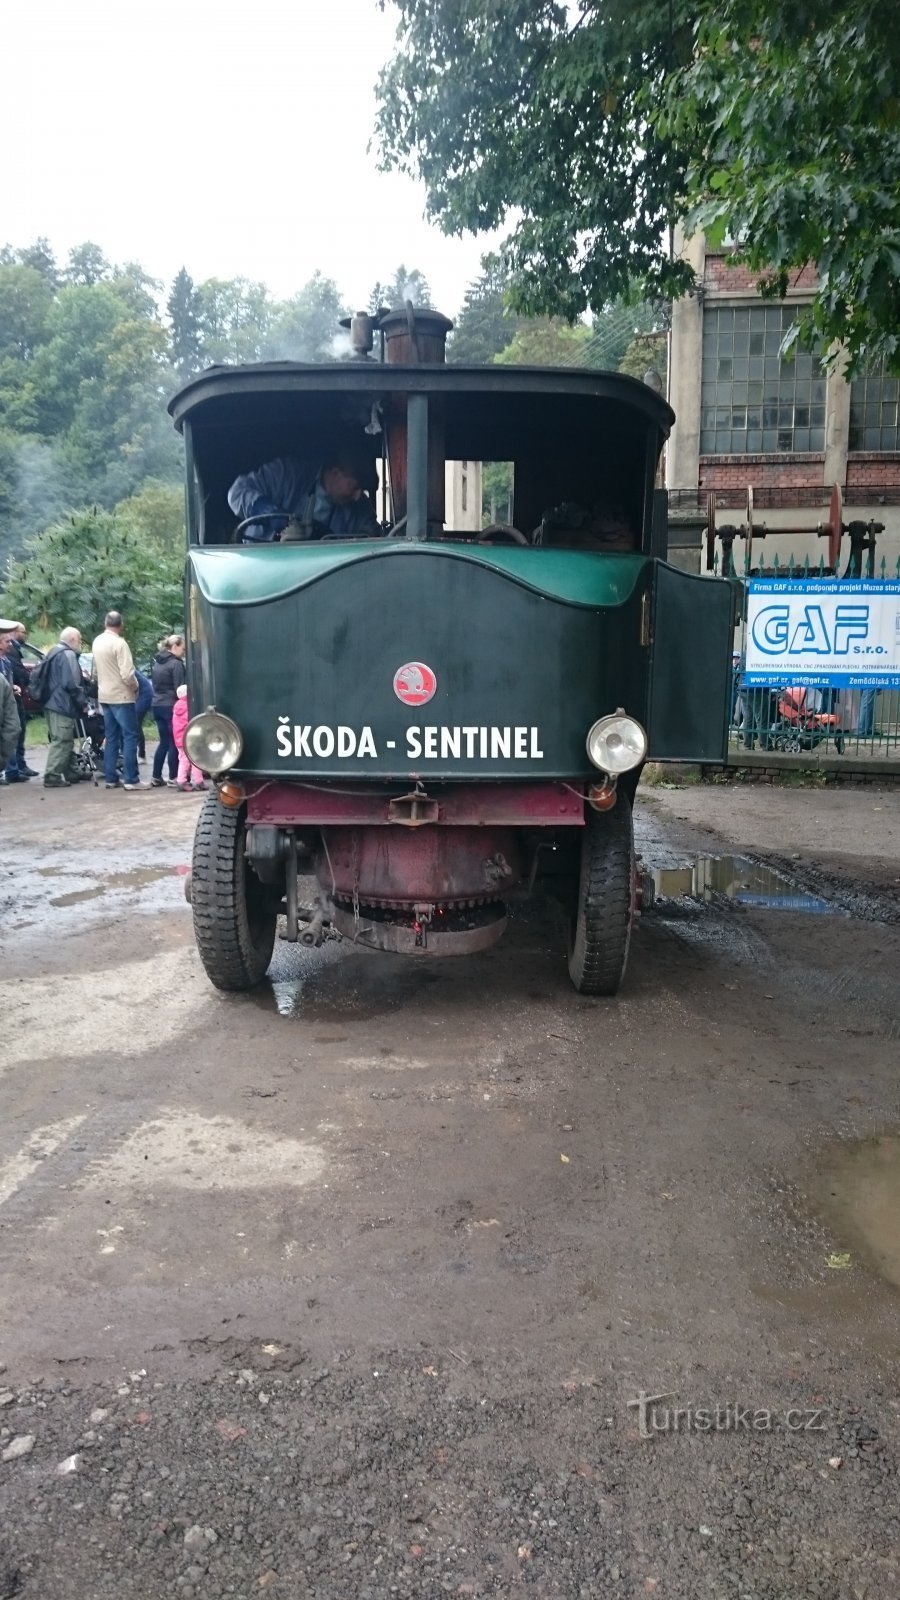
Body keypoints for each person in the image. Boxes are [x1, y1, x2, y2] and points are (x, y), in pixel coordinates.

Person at [228, 446, 379, 543]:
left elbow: (372, 533)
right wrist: (268, 512)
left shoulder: (359, 507)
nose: (358, 496)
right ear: (336, 474)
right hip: (262, 562)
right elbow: (237, 492)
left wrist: (364, 536)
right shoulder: (286, 474)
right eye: (356, 487)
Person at [91, 611, 147, 791]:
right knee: (130, 736)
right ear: (121, 625)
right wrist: (135, 687)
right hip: (122, 696)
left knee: (111, 736)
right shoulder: (120, 644)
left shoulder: (97, 641)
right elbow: (127, 674)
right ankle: (131, 779)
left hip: (104, 695)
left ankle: (111, 778)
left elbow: (94, 672)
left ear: (105, 623)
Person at [39, 627, 87, 788]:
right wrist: (83, 703)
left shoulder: (53, 651)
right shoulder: (68, 655)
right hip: (62, 704)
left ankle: (71, 772)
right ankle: (52, 776)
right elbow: (72, 684)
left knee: (63, 738)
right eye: (79, 639)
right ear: (72, 639)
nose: (80, 643)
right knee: (62, 740)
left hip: (51, 703)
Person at [3, 622, 38, 783]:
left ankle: (15, 767)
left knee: (17, 729)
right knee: (11, 731)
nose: (25, 635)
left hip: (14, 697)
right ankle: (11, 768)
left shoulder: (8, 657)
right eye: (23, 632)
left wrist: (13, 687)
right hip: (9, 700)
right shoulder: (10, 655)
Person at [150, 634, 186, 785]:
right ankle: (173, 776)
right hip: (171, 705)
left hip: (157, 704)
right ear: (175, 646)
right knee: (174, 742)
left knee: (164, 741)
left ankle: (156, 776)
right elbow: (180, 688)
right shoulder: (176, 664)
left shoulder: (158, 663)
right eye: (182, 648)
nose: (183, 652)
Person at [171, 684, 206, 791]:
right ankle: (199, 782)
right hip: (189, 739)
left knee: (183, 760)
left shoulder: (177, 706)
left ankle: (181, 781)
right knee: (195, 760)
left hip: (178, 739)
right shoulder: (190, 706)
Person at [0, 629, 21, 803]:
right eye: (7, 641)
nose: (10, 644)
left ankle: (11, 769)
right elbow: (12, 727)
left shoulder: (5, 661)